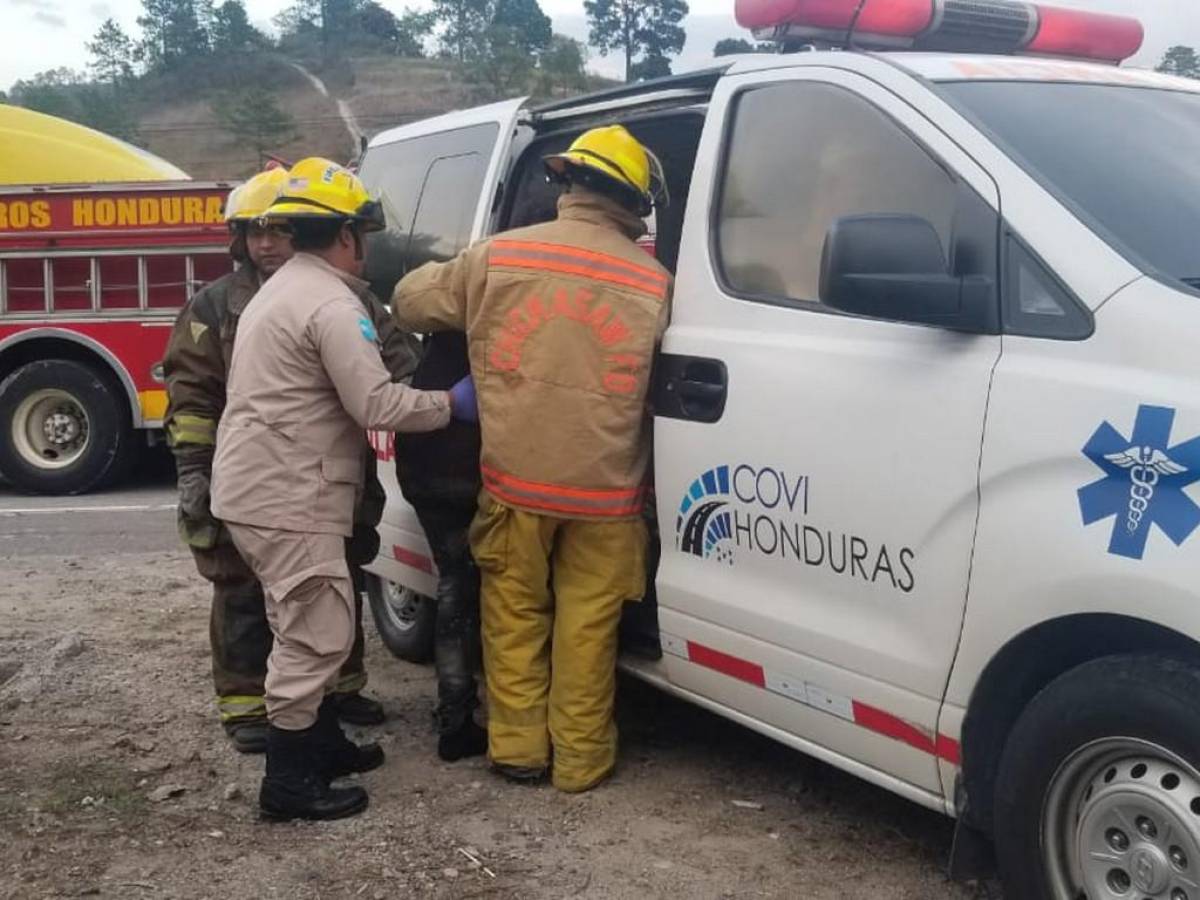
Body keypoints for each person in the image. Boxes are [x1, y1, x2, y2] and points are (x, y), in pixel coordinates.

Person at [392, 125, 671, 793]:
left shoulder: (499, 257)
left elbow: (406, 300)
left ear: (566, 183)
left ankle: (518, 753)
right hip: (608, 497)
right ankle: (580, 763)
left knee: (514, 617)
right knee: (588, 629)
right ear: (635, 201)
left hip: (515, 484)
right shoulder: (657, 282)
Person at [209, 158, 475, 821]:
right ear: (348, 235)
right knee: (315, 633)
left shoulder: (282, 287)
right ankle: (290, 783)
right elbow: (377, 402)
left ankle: (320, 742)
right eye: (364, 235)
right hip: (286, 494)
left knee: (297, 617)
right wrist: (451, 404)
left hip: (263, 487)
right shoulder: (331, 302)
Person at [163, 168, 416, 756]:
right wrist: (194, 474)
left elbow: (395, 363)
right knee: (244, 589)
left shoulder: (350, 296)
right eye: (255, 232)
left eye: (278, 231)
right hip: (263, 476)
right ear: (239, 238)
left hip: (331, 473)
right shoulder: (216, 306)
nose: (268, 244)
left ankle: (333, 694)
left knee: (336, 581)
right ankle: (252, 705)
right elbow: (193, 398)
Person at [395, 329, 488, 762]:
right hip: (462, 472)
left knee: (454, 582)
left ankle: (455, 712)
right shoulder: (502, 325)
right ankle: (457, 718)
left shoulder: (436, 330)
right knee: (463, 587)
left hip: (421, 468)